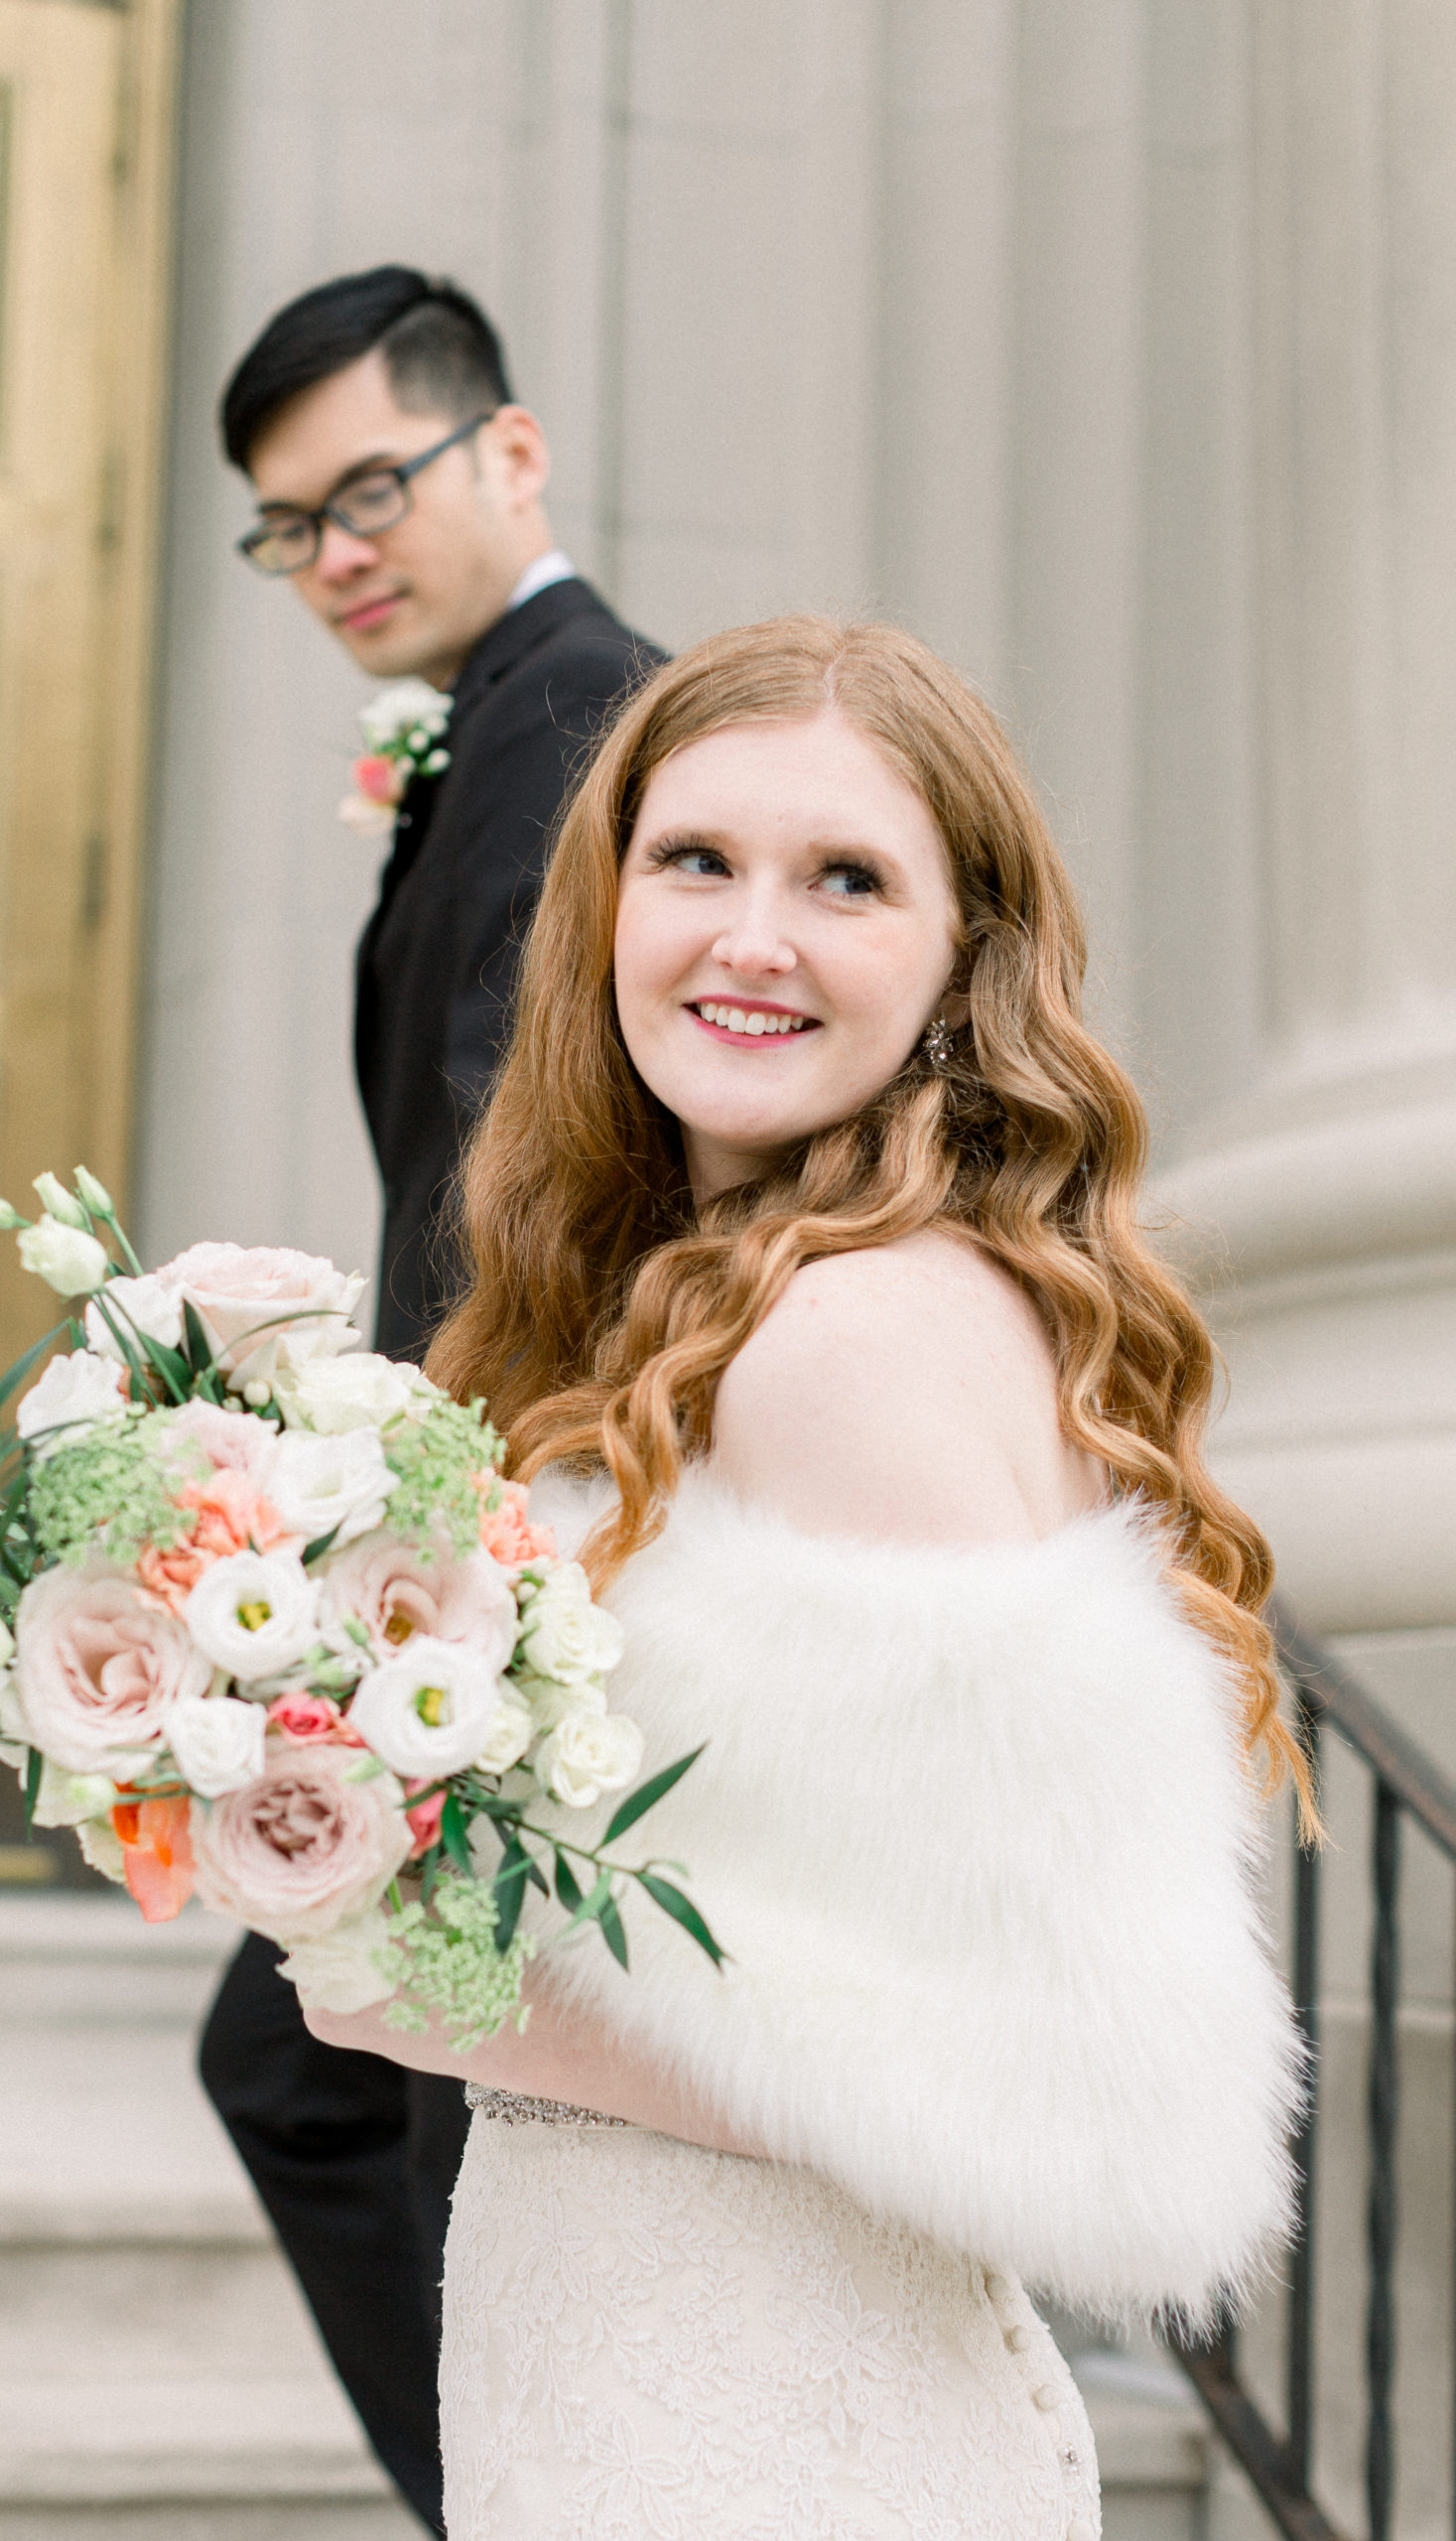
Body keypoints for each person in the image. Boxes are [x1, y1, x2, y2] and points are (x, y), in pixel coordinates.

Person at [300, 615, 1307, 2537]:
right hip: (648, 2367)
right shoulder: (731, 1300)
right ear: (604, 907)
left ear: (956, 961)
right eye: (695, 861)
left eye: (842, 878)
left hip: (765, 2424)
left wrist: (429, 1982)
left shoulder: (849, 1340)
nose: (749, 936)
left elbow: (1058, 2083)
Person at [196, 266, 659, 2535]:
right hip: (467, 1541)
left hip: (510, 1561)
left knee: (372, 2082)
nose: (333, 552)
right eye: (290, 528)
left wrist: (413, 1573)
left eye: (366, 486)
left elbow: (539, 1192)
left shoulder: (589, 727)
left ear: (512, 450)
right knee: (355, 2080)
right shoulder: (497, 720)